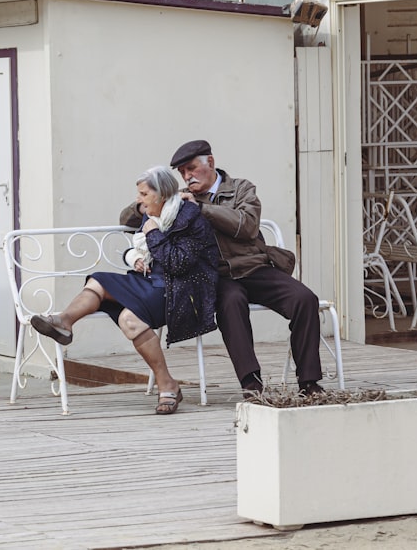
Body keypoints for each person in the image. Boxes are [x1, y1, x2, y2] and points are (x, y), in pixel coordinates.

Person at [30, 166, 220, 415]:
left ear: (161, 194)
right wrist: (133, 258)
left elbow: (177, 263)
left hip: (180, 291)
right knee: (98, 280)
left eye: (143, 194)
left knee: (128, 320)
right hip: (150, 281)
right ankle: (64, 322)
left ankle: (167, 384)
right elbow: (138, 242)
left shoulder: (189, 217)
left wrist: (152, 233)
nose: (138, 199)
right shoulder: (154, 214)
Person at [165, 139, 325, 397]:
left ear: (211, 163)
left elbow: (247, 225)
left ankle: (309, 382)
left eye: (191, 168)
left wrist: (203, 210)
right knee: (231, 302)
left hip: (255, 267)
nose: (187, 176)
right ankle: (251, 384)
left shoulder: (241, 188)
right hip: (218, 275)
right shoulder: (183, 199)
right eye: (182, 172)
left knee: (305, 299)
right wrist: (158, 198)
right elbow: (130, 216)